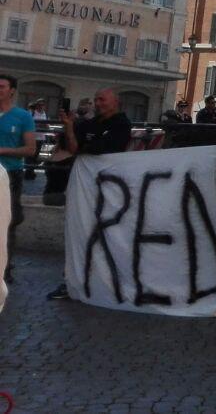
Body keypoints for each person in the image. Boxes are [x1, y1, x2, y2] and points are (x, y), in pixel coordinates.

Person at [48, 88, 133, 300]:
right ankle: (73, 280)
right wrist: (69, 127)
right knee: (79, 231)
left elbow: (101, 148)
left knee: (108, 235)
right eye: (96, 99)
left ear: (115, 101)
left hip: (110, 189)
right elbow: (73, 148)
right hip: (85, 186)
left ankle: (106, 281)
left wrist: (83, 146)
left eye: (102, 99)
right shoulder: (89, 123)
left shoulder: (122, 123)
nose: (98, 103)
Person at [0, 75, 38, 284]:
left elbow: (30, 149)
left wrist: (2, 150)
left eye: (2, 86)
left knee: (7, 222)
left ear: (12, 90)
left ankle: (4, 269)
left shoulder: (23, 116)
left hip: (10, 175)